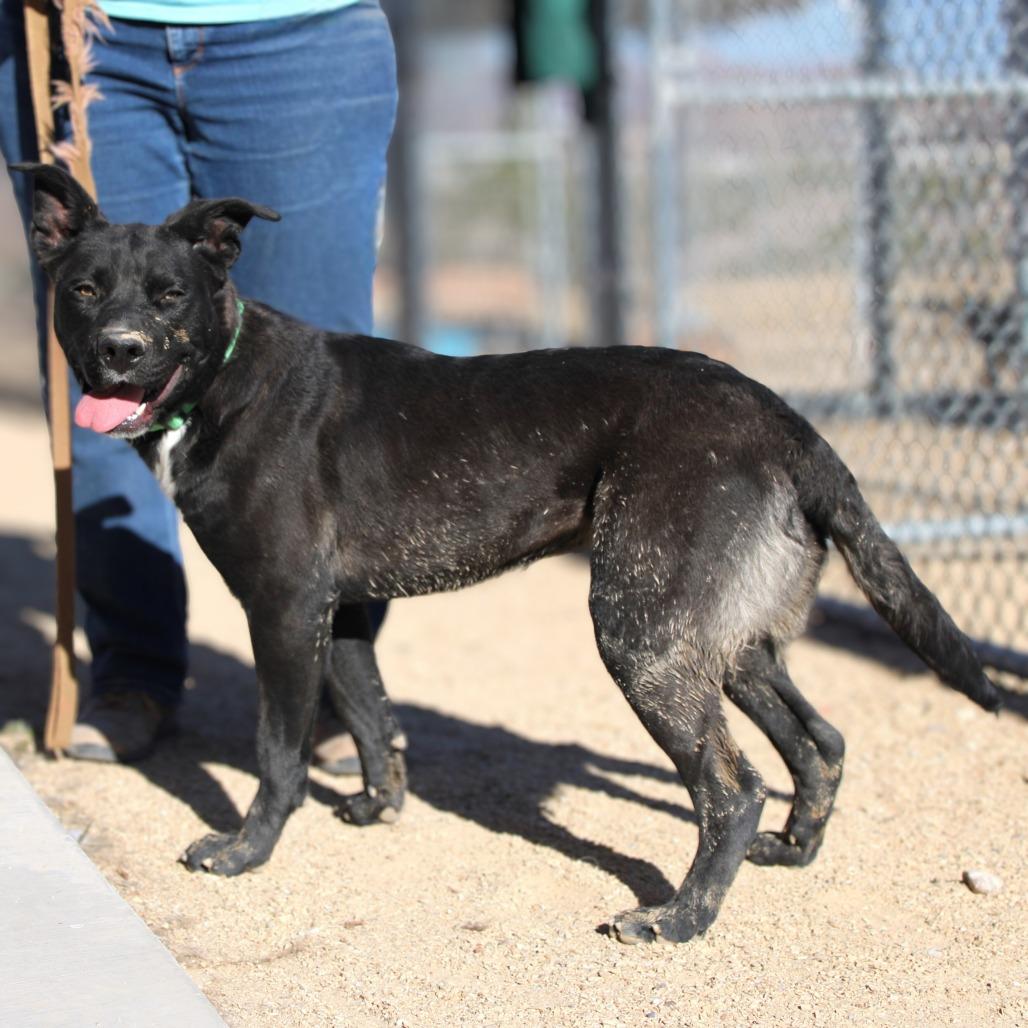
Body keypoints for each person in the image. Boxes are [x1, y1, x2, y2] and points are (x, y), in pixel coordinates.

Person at [0, 0, 396, 766]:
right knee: (108, 380)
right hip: (85, 34)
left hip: (299, 33)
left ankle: (331, 684)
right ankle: (133, 671)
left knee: (325, 400)